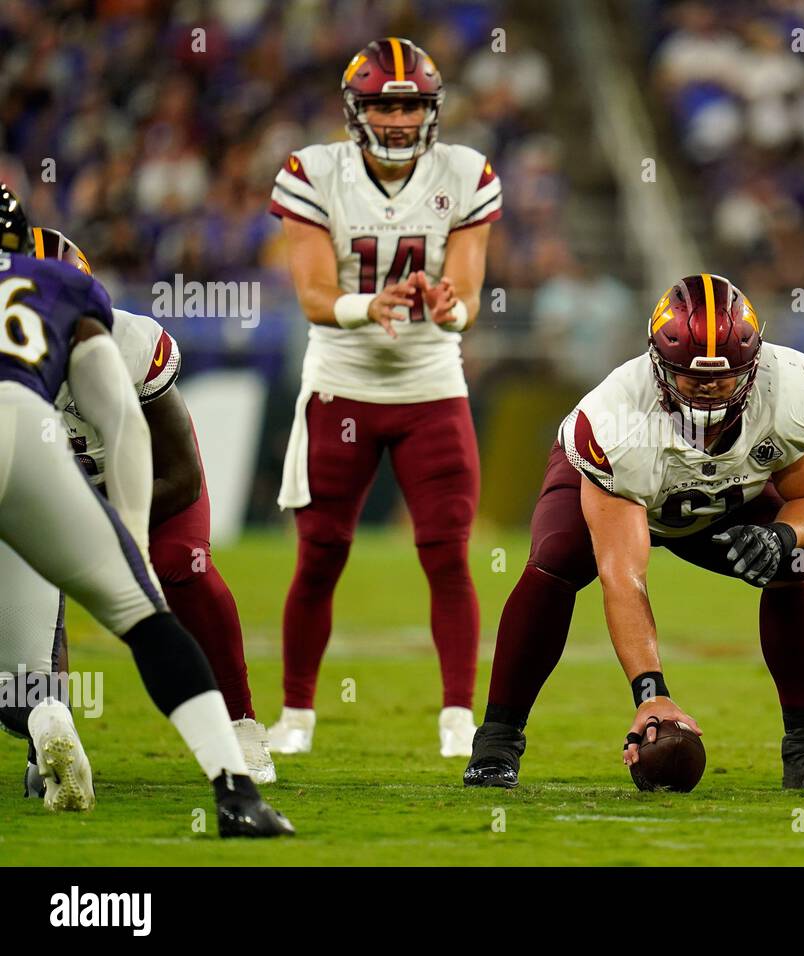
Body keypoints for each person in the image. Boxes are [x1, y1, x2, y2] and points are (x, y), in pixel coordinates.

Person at [464, 274, 804, 791]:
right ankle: (497, 740)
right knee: (557, 559)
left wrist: (782, 537)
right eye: (693, 379)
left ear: (756, 364)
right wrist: (651, 693)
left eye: (724, 378)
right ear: (657, 363)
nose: (710, 392)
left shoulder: (790, 386)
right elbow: (624, 577)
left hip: (723, 500)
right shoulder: (615, 418)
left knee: (797, 562)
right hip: (622, 493)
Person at [0, 183, 290, 836]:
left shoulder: (130, 343)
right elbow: (123, 432)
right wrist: (105, 541)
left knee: (176, 569)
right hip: (67, 475)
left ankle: (234, 725)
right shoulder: (82, 318)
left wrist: (114, 530)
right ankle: (232, 790)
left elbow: (180, 475)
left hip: (123, 483)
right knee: (123, 612)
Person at [268, 37, 500, 758]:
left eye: (410, 105)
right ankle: (298, 714)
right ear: (355, 108)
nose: (398, 119)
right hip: (342, 386)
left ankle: (459, 716)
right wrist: (370, 307)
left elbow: (465, 300)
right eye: (383, 104)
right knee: (320, 556)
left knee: (447, 554)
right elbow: (311, 294)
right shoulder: (315, 172)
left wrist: (441, 301)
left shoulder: (464, 173)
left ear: (431, 110)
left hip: (432, 386)